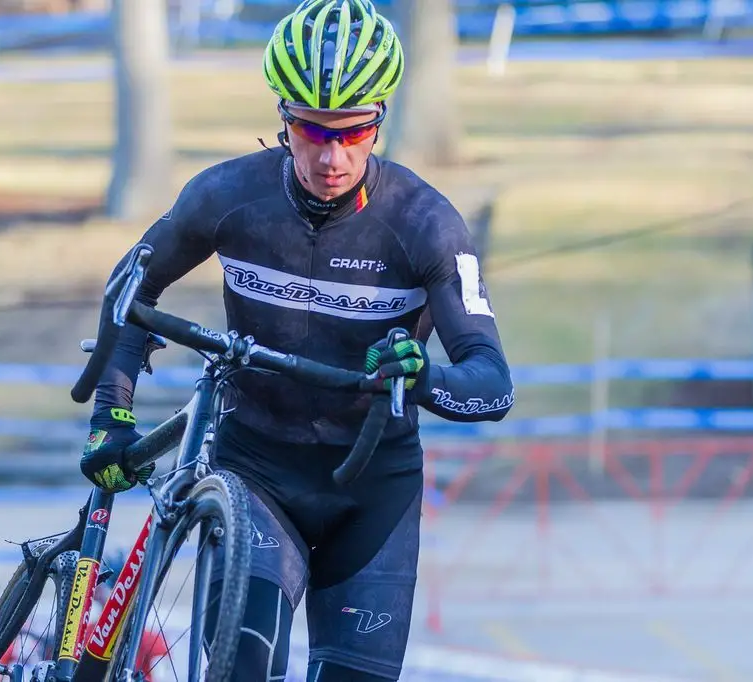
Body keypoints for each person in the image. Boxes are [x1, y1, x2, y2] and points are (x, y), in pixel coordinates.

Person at [79, 0, 515, 679]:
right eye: (312, 130)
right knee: (244, 667)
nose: (333, 155)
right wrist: (113, 412)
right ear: (284, 119)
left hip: (373, 495)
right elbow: (132, 289)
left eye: (354, 130)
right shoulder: (228, 196)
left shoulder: (426, 224)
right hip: (256, 474)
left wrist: (421, 376)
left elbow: (492, 383)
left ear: (379, 121)